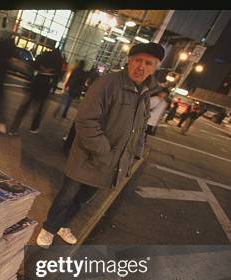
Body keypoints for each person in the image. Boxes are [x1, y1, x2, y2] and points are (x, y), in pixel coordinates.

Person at [36, 42, 164, 248]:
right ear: (129, 61)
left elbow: (139, 128)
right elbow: (86, 120)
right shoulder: (108, 83)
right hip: (88, 156)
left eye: (148, 63)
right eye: (138, 60)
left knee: (83, 200)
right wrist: (103, 150)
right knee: (67, 196)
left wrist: (135, 154)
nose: (141, 67)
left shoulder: (146, 94)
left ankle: (63, 225)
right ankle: (49, 228)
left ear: (155, 67)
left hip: (112, 163)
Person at [9, 48, 64, 135]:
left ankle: (14, 128)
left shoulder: (44, 55)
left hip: (37, 82)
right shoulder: (58, 60)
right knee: (39, 109)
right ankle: (34, 127)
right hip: (46, 85)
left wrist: (41, 68)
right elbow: (59, 75)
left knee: (25, 106)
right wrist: (51, 75)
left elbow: (34, 64)